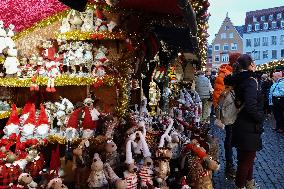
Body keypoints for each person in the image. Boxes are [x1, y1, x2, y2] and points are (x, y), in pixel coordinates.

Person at [224, 54, 264, 189]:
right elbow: (251, 106)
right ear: (251, 64)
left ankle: (249, 183)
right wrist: (260, 117)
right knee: (246, 161)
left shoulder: (238, 79)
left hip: (239, 123)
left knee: (245, 159)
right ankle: (240, 186)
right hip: (249, 126)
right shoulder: (251, 81)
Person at [212, 52, 241, 178]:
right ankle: (230, 165)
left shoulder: (232, 73)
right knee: (229, 139)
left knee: (234, 139)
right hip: (230, 112)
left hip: (236, 111)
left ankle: (234, 165)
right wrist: (221, 114)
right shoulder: (226, 74)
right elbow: (219, 95)